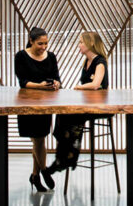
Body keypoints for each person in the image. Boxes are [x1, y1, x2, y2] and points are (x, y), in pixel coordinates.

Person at [39, 31, 109, 187]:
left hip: (100, 107)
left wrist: (79, 87)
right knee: (63, 114)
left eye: (81, 42)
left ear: (90, 44)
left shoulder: (100, 62)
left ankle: (67, 158)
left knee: (70, 118)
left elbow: (96, 84)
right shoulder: (86, 62)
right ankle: (66, 156)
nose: (79, 45)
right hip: (87, 105)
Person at [14, 27, 61, 192]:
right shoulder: (21, 56)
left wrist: (55, 84)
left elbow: (57, 78)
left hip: (46, 104)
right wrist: (40, 86)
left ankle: (35, 175)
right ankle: (44, 171)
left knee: (39, 139)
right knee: (37, 140)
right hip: (27, 103)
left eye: (46, 43)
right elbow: (23, 82)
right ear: (31, 41)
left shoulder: (51, 56)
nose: (44, 47)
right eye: (40, 43)